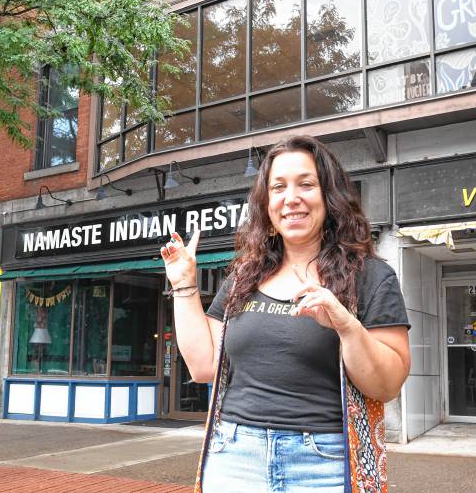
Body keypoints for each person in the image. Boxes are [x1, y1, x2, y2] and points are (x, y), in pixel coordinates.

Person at [160, 135, 411, 493]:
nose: (291, 198)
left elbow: (386, 385)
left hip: (323, 462)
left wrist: (346, 327)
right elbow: (203, 367)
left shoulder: (370, 276)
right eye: (278, 187)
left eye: (305, 184)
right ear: (267, 203)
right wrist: (184, 285)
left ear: (329, 195)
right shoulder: (244, 277)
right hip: (234, 457)